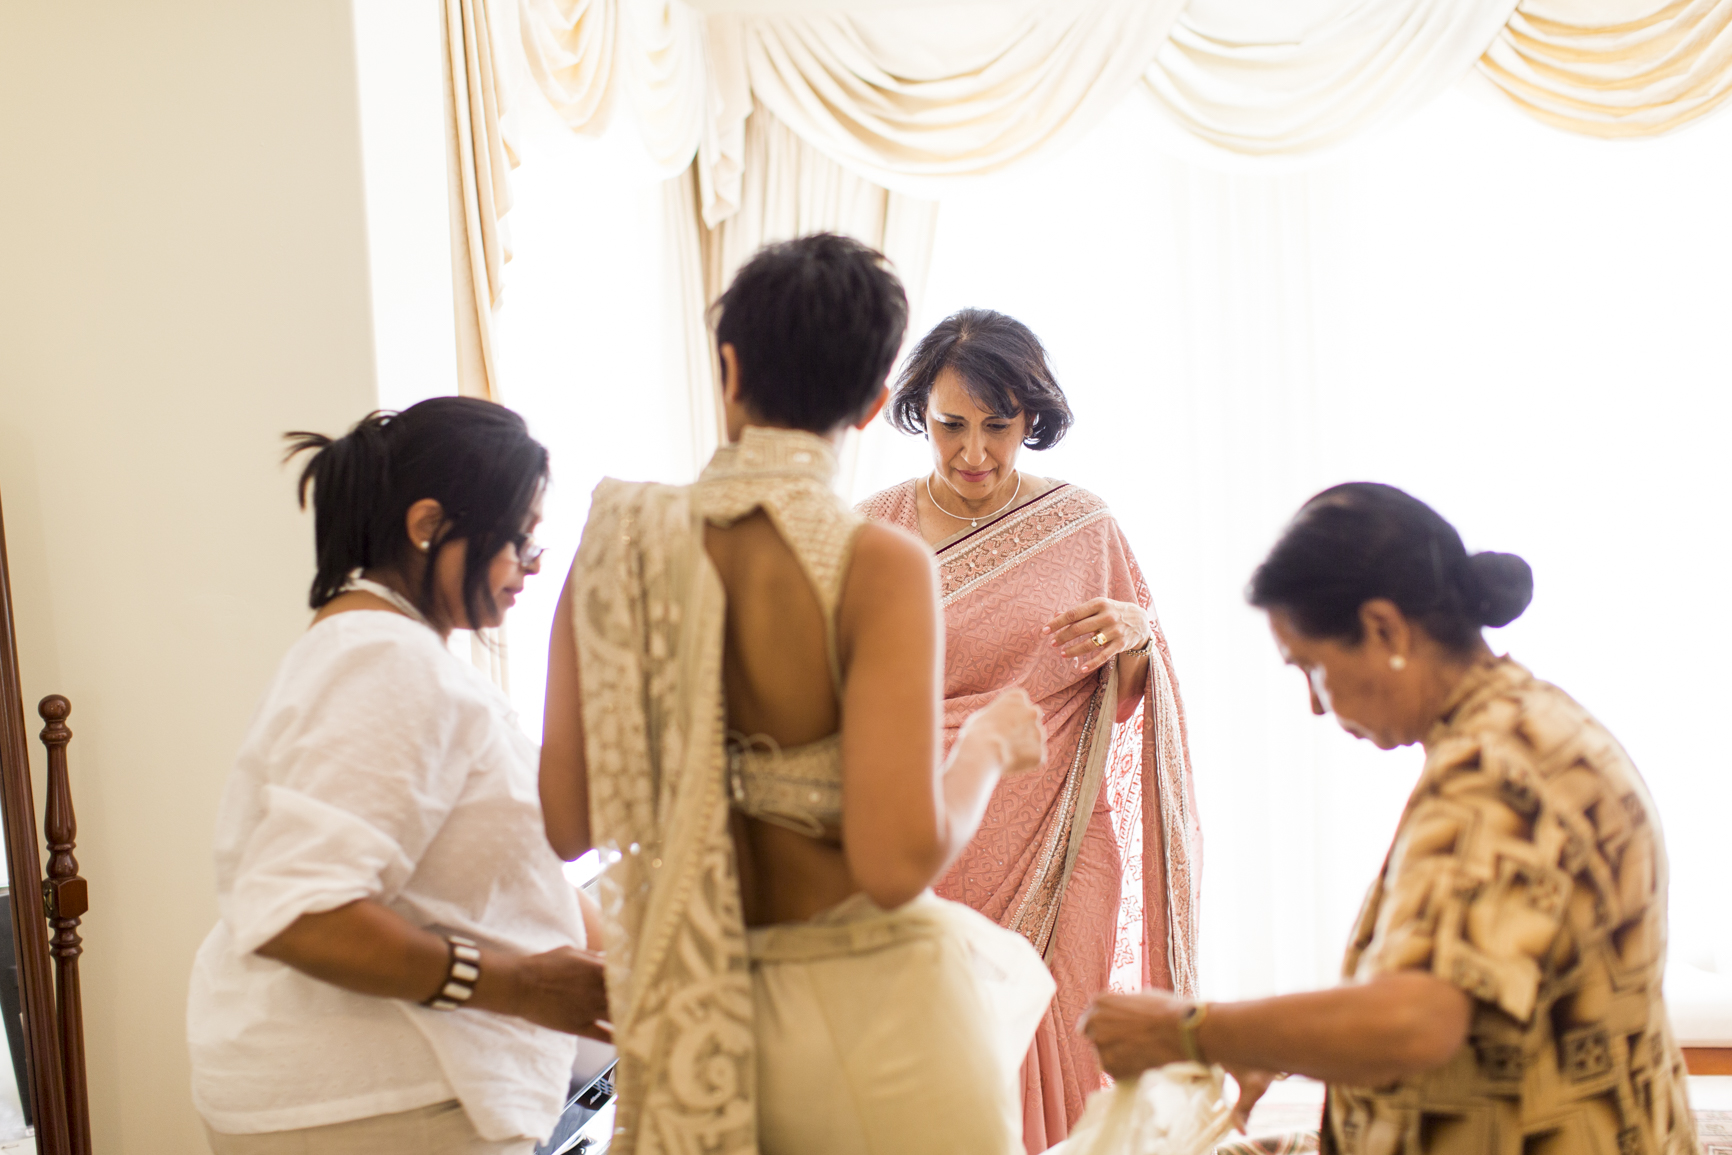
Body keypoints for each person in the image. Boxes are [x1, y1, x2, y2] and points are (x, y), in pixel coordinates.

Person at [539, 235, 1056, 1155]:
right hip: (877, 1026)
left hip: (696, 1029)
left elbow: (567, 821)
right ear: (873, 403)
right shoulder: (880, 565)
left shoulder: (615, 542)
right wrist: (984, 747)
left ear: (728, 367)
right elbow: (897, 865)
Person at [1082, 482, 1698, 1155]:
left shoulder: (1497, 771)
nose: (1316, 704)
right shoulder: (1527, 726)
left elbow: (1417, 1021)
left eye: (1313, 667)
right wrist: (1269, 1044)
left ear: (1384, 628)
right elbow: (1454, 988)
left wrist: (1192, 1030)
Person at [187, 398, 610, 1155]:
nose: (533, 564)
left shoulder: (395, 652)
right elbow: (298, 912)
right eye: (520, 537)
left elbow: (483, 871)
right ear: (427, 525)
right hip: (366, 1105)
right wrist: (523, 986)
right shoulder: (382, 661)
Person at [856, 308, 1201, 1151]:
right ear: (918, 414)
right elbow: (836, 697)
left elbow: (1130, 696)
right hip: (924, 840)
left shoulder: (1082, 525)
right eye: (952, 425)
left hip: (1063, 840)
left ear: (1032, 419)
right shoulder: (870, 531)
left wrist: (1136, 635)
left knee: (1065, 1057)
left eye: (998, 426)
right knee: (939, 1079)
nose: (974, 451)